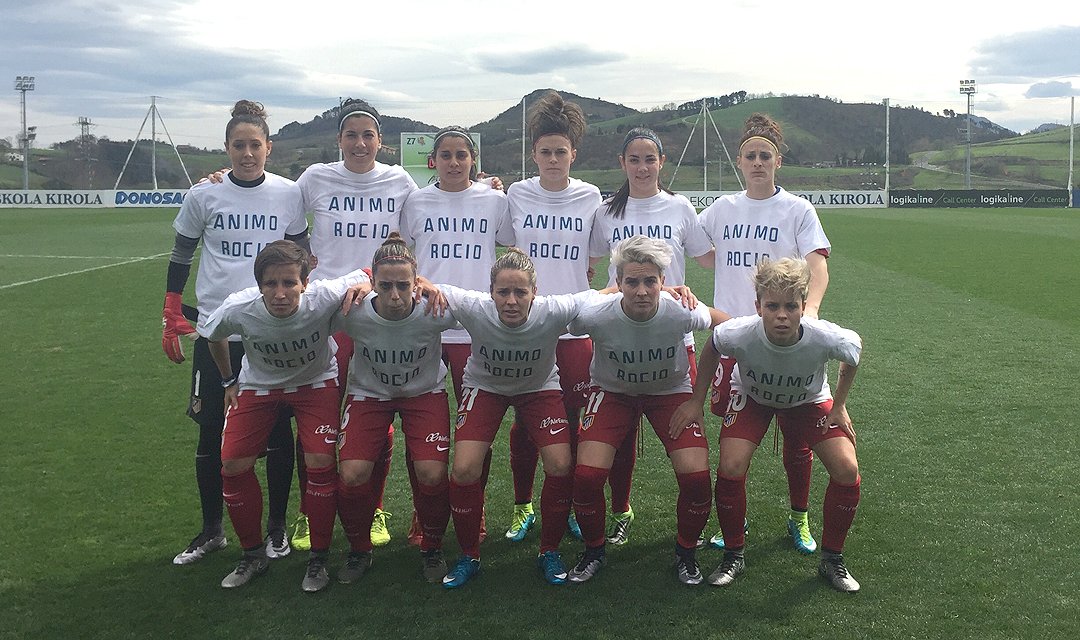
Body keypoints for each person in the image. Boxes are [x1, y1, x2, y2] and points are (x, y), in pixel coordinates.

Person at [163, 100, 306, 566]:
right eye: (238, 145)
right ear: (226, 148)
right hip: (216, 331)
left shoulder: (288, 193)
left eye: (255, 145)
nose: (247, 153)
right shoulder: (203, 195)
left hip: (272, 329)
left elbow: (301, 258)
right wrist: (171, 308)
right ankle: (211, 530)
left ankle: (277, 528)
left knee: (279, 433)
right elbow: (182, 254)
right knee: (210, 435)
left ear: (269, 147)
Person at [669, 257, 863, 592]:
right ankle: (733, 553)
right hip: (753, 398)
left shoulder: (825, 336)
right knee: (730, 464)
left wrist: (840, 405)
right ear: (758, 306)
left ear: (805, 305)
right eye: (772, 306)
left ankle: (832, 559)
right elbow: (713, 346)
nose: (782, 315)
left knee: (847, 469)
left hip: (808, 400)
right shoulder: (739, 332)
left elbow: (853, 353)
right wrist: (696, 401)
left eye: (791, 306)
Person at [198, 240, 371, 592]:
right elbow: (212, 335)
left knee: (321, 461)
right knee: (232, 464)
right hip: (258, 385)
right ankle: (252, 555)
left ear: (305, 283)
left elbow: (367, 272)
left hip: (315, 383)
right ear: (258, 285)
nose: (280, 293)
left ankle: (318, 558)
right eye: (270, 284)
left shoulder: (323, 295)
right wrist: (228, 379)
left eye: (289, 283)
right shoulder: (239, 307)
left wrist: (365, 284)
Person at [696, 113, 832, 553]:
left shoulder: (797, 209)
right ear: (739, 161)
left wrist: (808, 311)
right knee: (736, 443)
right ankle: (735, 521)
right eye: (750, 155)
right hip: (735, 339)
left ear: (777, 162)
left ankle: (800, 518)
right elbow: (698, 251)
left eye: (765, 156)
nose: (757, 162)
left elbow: (817, 265)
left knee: (798, 439)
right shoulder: (721, 209)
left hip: (783, 339)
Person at [293, 98, 420, 548]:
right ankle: (310, 511)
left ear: (380, 142)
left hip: (379, 311)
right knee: (320, 415)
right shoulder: (315, 178)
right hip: (329, 315)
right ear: (339, 140)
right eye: (352, 135)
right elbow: (284, 218)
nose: (360, 143)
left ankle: (376, 509)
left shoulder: (399, 181)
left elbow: (426, 218)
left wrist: (487, 181)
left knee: (376, 407)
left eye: (369, 135)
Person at [566, 236, 728, 585]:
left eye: (650, 281)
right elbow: (561, 322)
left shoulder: (680, 309)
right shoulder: (595, 313)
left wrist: (697, 400)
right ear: (619, 283)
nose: (641, 291)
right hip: (613, 392)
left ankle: (686, 552)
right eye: (632, 282)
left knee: (697, 479)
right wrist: (602, 294)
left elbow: (726, 326)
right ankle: (594, 550)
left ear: (662, 282)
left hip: (669, 392)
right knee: (588, 477)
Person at [437, 249, 598, 588]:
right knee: (464, 468)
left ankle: (549, 551)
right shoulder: (473, 306)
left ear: (534, 293)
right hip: (485, 387)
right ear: (490, 291)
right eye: (503, 292)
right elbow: (427, 287)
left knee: (559, 463)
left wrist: (670, 290)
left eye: (520, 292)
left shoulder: (552, 310)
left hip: (539, 389)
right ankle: (469, 554)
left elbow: (601, 295)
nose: (511, 300)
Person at [586, 127, 714, 546]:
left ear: (662, 162)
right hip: (618, 332)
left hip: (673, 332)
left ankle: (688, 541)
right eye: (634, 160)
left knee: (681, 438)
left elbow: (710, 259)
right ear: (622, 164)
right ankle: (619, 511)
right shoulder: (606, 212)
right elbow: (591, 269)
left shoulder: (680, 207)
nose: (642, 167)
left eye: (650, 159)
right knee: (616, 439)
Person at [504, 90, 601, 542]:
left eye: (561, 152)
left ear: (573, 154)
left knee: (578, 419)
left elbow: (596, 255)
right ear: (534, 154)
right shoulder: (516, 195)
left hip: (576, 323)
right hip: (528, 325)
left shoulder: (591, 196)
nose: (553, 159)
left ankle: (576, 507)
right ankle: (524, 506)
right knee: (526, 421)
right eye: (545, 152)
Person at [333, 235, 456, 584]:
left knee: (432, 473)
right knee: (353, 473)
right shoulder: (351, 309)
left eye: (404, 285)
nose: (395, 295)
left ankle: (432, 547)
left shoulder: (437, 306)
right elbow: (305, 309)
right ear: (371, 282)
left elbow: (486, 311)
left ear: (417, 282)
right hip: (369, 394)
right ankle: (359, 550)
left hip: (424, 393)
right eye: (385, 286)